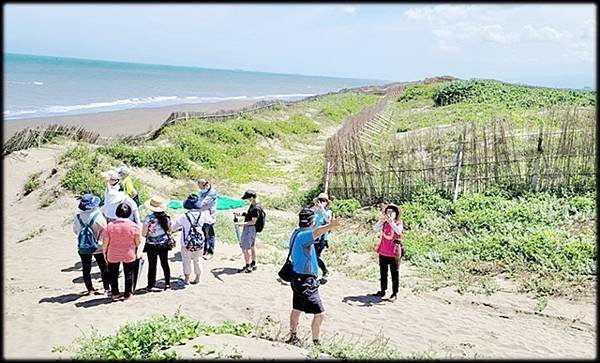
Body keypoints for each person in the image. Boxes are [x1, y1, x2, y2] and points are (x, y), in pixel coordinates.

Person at [285, 208, 340, 346]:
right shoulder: (304, 235)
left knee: (296, 309)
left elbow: (314, 231)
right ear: (311, 221)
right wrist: (331, 225)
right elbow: (316, 232)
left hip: (297, 278)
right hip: (305, 281)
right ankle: (316, 343)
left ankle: (293, 336)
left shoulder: (296, 232)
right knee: (320, 313)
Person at [101, 203, 141, 302]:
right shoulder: (134, 226)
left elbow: (105, 242)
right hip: (128, 253)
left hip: (113, 253)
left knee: (113, 274)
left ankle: (115, 293)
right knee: (129, 274)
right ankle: (128, 294)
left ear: (117, 212)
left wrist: (104, 253)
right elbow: (138, 241)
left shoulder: (110, 226)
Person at [72, 193, 111, 296]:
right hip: (98, 246)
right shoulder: (98, 216)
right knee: (103, 267)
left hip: (83, 245)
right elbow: (105, 231)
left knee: (86, 268)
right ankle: (106, 288)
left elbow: (75, 230)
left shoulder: (77, 216)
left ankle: (90, 289)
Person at [172, 194, 211, 285]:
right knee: (198, 259)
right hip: (199, 240)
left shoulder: (183, 216)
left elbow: (174, 227)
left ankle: (187, 278)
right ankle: (198, 277)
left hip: (186, 241)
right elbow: (210, 221)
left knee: (186, 260)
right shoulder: (202, 214)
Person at [370, 204, 404, 302]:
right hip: (383, 251)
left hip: (394, 253)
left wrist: (391, 222)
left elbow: (398, 231)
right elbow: (375, 228)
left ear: (395, 213)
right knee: (383, 273)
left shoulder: (398, 223)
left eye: (391, 212)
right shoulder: (384, 223)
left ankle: (394, 293)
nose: (389, 214)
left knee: (394, 274)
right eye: (387, 212)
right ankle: (382, 290)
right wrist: (381, 221)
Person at [141, 196, 172, 291]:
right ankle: (167, 283)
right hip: (164, 243)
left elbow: (143, 233)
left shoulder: (149, 218)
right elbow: (170, 230)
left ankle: (150, 284)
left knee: (152, 265)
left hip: (151, 244)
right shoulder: (167, 217)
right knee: (165, 263)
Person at [233, 190, 263, 273]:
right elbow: (250, 215)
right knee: (252, 246)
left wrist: (240, 224)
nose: (247, 200)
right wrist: (241, 214)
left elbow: (253, 222)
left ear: (252, 198)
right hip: (252, 230)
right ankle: (253, 263)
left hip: (250, 229)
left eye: (248, 198)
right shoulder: (255, 205)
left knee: (245, 248)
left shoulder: (256, 208)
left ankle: (247, 266)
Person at [311, 192, 333, 284]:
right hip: (312, 235)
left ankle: (324, 270)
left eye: (324, 201)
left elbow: (328, 220)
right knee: (311, 255)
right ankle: (313, 273)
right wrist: (315, 209)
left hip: (322, 237)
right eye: (320, 200)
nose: (321, 202)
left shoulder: (328, 212)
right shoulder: (314, 210)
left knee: (315, 256)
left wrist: (322, 209)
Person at [196, 178, 217, 259]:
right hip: (203, 215)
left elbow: (203, 203)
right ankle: (204, 250)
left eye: (201, 187)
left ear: (205, 185)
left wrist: (194, 204)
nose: (200, 189)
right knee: (203, 234)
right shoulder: (203, 191)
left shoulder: (212, 193)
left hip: (209, 217)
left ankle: (210, 251)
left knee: (209, 235)